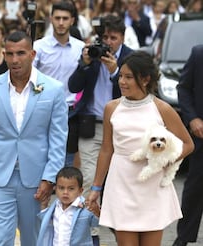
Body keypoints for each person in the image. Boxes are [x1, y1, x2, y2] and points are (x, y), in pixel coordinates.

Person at [85, 51, 194, 245]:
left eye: (128, 77)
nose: (122, 82)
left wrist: (163, 160)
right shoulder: (111, 107)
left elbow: (188, 144)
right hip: (121, 184)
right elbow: (106, 149)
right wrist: (95, 188)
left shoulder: (162, 108)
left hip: (152, 186)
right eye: (120, 76)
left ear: (145, 79)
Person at [0, 31, 68, 246]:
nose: (15, 60)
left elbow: (58, 138)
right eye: (9, 54)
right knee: (0, 240)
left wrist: (50, 177)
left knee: (32, 240)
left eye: (21, 53)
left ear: (33, 54)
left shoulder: (53, 90)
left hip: (35, 180)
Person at [68, 14, 133, 245]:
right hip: (92, 126)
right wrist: (84, 64)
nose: (108, 42)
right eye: (104, 37)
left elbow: (137, 94)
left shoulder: (131, 58)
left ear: (122, 38)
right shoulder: (91, 54)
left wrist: (117, 73)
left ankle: (123, 234)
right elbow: (73, 86)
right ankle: (90, 236)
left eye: (113, 38)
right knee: (88, 180)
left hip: (122, 131)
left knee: (118, 185)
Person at [33, 1, 85, 166]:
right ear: (51, 19)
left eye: (65, 18)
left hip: (71, 111)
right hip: (43, 109)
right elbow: (30, 77)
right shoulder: (39, 46)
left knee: (68, 159)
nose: (61, 23)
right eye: (57, 18)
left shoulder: (81, 48)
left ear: (72, 20)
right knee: (41, 157)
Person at [173, 44, 203, 246]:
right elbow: (183, 88)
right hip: (201, 134)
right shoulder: (199, 53)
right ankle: (183, 237)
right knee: (194, 188)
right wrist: (192, 119)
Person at [37, 166, 100, 246]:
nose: (65, 192)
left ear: (80, 191)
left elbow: (96, 223)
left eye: (71, 189)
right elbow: (46, 222)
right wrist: (43, 206)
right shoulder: (55, 206)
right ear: (55, 189)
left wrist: (97, 212)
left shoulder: (83, 207)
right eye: (61, 188)